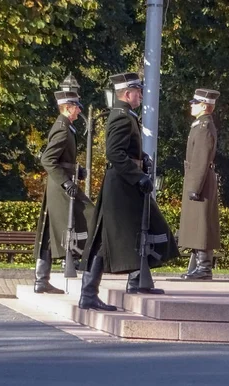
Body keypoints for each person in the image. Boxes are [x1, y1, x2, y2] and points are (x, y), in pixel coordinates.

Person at [79, 72, 179, 300]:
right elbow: (114, 152)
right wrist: (138, 176)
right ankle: (89, 294)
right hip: (122, 185)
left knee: (141, 229)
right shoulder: (122, 117)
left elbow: (125, 149)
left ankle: (137, 281)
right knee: (110, 239)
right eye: (138, 91)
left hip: (125, 183)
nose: (141, 95)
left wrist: (142, 157)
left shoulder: (125, 115)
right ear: (127, 93)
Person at [32, 90, 94, 294]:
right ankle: (80, 259)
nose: (79, 111)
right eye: (76, 107)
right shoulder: (62, 128)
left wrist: (77, 171)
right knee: (91, 215)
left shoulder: (67, 127)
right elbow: (48, 159)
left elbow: (61, 160)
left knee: (49, 231)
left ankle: (42, 279)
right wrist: (66, 182)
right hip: (61, 187)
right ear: (67, 107)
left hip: (61, 184)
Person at [178, 89, 221, 280]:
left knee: (202, 225)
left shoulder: (204, 127)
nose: (191, 105)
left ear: (204, 105)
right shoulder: (200, 125)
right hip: (197, 179)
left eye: (195, 103)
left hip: (200, 181)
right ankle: (197, 265)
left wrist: (195, 187)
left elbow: (201, 159)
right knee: (196, 224)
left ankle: (204, 267)